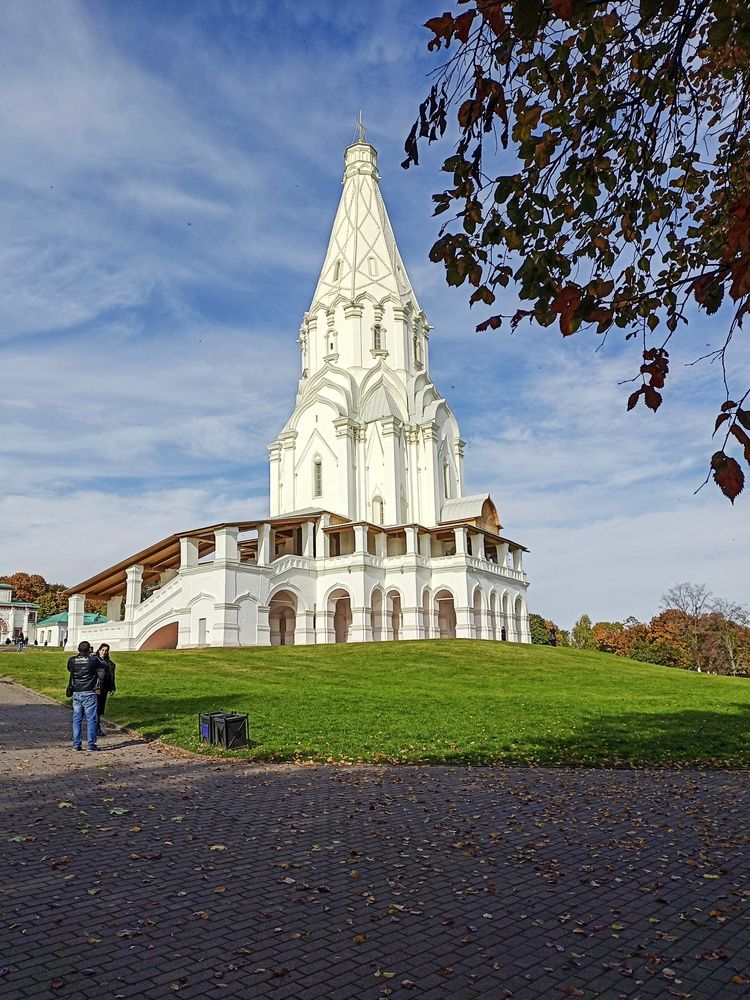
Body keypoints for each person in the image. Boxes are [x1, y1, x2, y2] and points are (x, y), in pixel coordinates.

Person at [67, 640, 106, 751]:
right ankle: (91, 744)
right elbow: (104, 664)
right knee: (91, 719)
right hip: (89, 691)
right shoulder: (93, 660)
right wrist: (96, 656)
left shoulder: (72, 660)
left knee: (77, 719)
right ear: (89, 650)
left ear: (78, 650)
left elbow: (70, 669)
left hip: (77, 691)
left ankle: (76, 744)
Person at [93, 643, 116, 737]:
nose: (104, 652)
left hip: (105, 687)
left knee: (100, 708)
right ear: (99, 650)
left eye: (106, 650)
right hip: (97, 687)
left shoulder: (109, 663)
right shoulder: (95, 660)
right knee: (97, 707)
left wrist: (112, 686)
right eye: (102, 650)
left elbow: (111, 676)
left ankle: (96, 726)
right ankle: (96, 727)